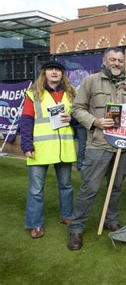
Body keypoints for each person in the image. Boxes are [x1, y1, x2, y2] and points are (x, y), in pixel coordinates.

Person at [67, 47, 126, 251]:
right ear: (104, 61)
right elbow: (77, 108)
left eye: (119, 60)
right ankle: (76, 228)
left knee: (115, 188)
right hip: (98, 145)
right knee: (89, 188)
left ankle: (111, 220)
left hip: (122, 148)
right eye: (112, 59)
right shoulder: (91, 81)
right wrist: (95, 122)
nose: (116, 63)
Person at [20, 60, 76, 239]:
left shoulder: (71, 93)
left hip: (64, 148)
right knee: (36, 189)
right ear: (44, 72)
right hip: (40, 148)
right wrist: (26, 144)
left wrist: (72, 119)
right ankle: (35, 223)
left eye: (58, 70)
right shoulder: (33, 93)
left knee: (66, 186)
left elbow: (78, 117)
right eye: (50, 69)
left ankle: (67, 215)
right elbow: (26, 120)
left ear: (62, 74)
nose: (54, 72)